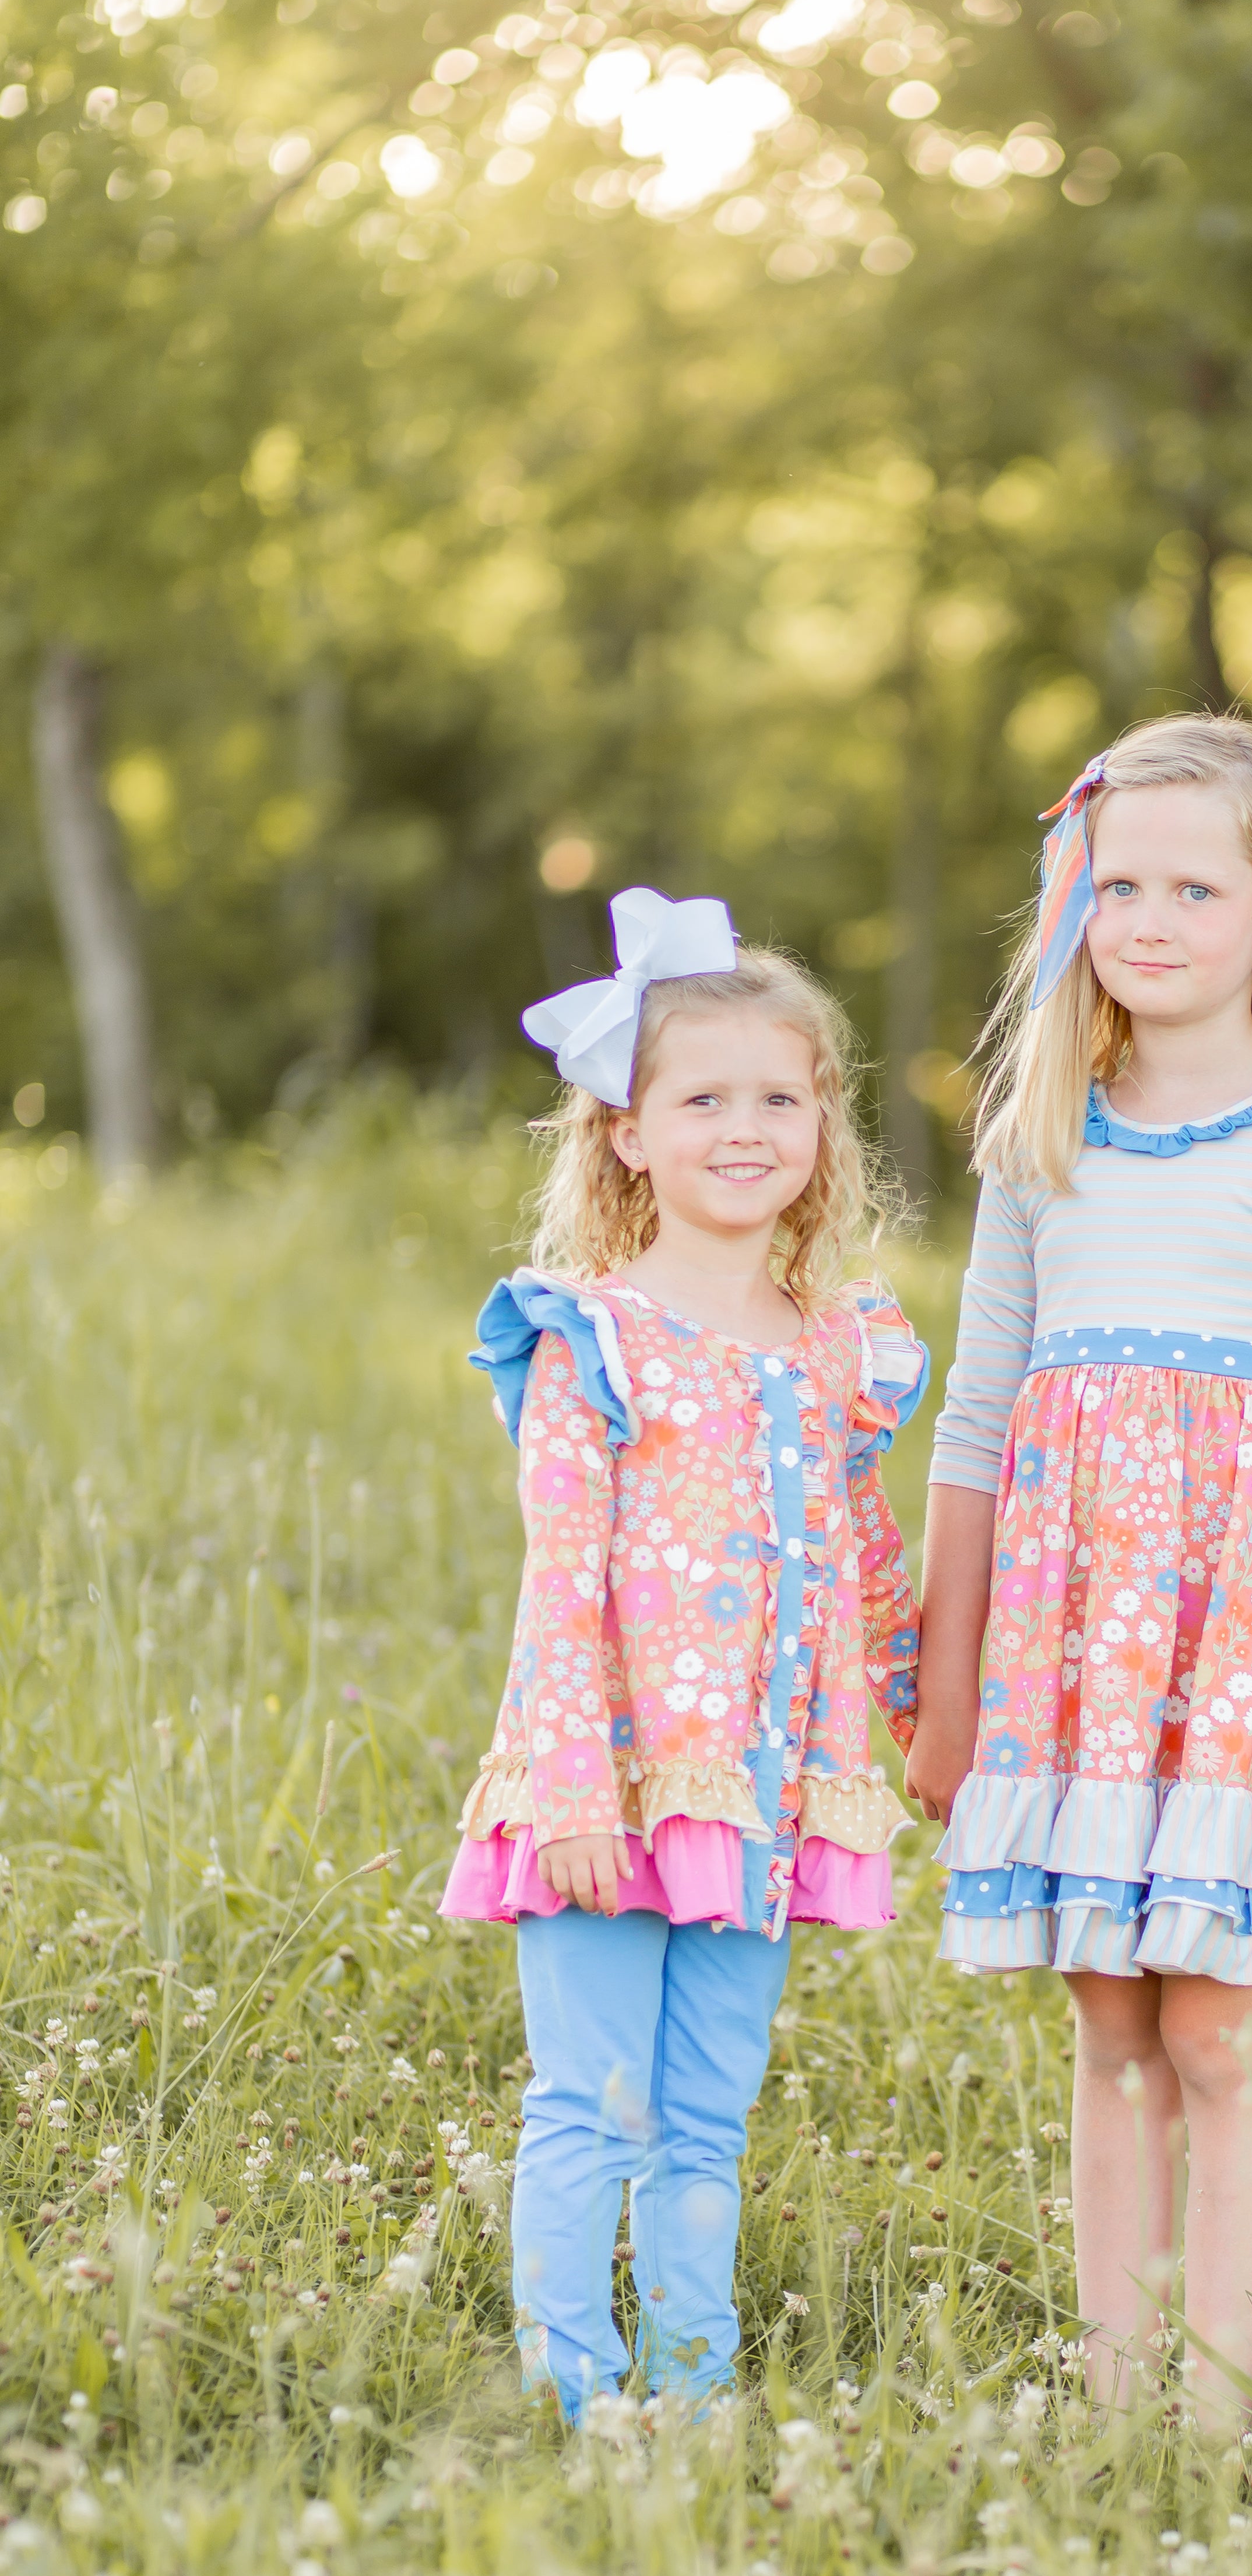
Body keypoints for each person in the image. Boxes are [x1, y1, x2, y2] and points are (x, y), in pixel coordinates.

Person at [905, 716, 1252, 2423]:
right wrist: (942, 1688)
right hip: (1073, 1672)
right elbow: (977, 1425)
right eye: (1118, 881)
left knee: (1221, 2029)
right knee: (1114, 2039)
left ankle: (1217, 2414)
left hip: (1247, 1672)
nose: (1150, 919)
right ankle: (1115, 2391)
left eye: (1194, 887)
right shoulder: (1041, 1137)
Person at [439, 888, 925, 2418]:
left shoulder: (842, 1345)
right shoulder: (590, 1336)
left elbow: (868, 1560)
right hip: (610, 1785)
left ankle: (697, 2396)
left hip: (770, 1790)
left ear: (824, 1126)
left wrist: (930, 1734)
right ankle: (582, 2402)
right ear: (627, 1132)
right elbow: (559, 1581)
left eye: (779, 1096)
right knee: (588, 2103)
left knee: (706, 2116)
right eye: (702, 1097)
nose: (744, 1126)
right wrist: (577, 1791)